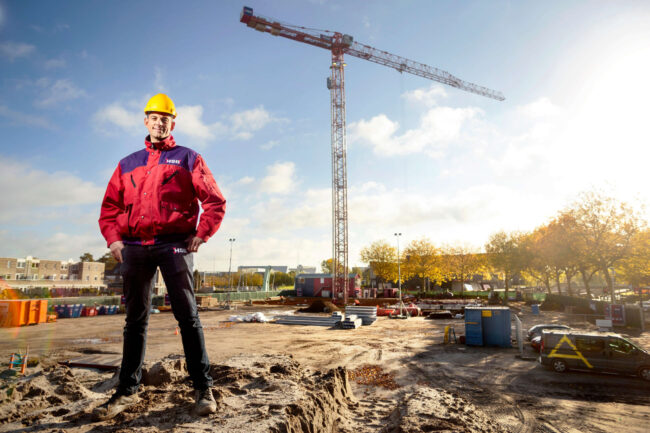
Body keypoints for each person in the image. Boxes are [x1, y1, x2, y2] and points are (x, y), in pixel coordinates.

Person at [94, 94, 226, 420]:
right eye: (153, 117)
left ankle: (203, 387)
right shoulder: (127, 163)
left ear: (172, 123)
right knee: (135, 320)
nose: (159, 122)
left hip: (175, 245)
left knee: (188, 316)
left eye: (165, 118)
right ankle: (127, 390)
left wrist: (202, 233)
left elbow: (214, 201)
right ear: (145, 121)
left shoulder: (187, 158)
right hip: (135, 247)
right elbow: (110, 207)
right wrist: (114, 240)